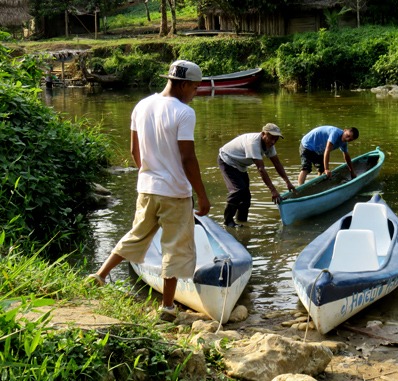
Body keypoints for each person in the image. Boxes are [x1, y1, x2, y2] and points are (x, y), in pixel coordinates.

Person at [87, 60, 211, 322]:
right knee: (175, 247)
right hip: (175, 192)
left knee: (137, 235)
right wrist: (201, 194)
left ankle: (99, 275)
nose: (196, 93)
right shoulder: (184, 112)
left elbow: (135, 152)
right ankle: (167, 307)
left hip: (146, 187)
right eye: (196, 88)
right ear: (186, 84)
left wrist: (149, 174)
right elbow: (188, 158)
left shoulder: (141, 105)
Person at [218, 123, 296, 228]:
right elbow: (261, 169)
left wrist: (288, 182)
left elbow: (277, 164)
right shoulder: (253, 143)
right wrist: (273, 190)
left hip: (240, 164)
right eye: (271, 138)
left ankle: (242, 221)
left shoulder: (270, 145)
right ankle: (227, 222)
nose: (273, 141)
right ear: (264, 134)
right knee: (238, 191)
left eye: (276, 139)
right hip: (227, 160)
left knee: (246, 196)